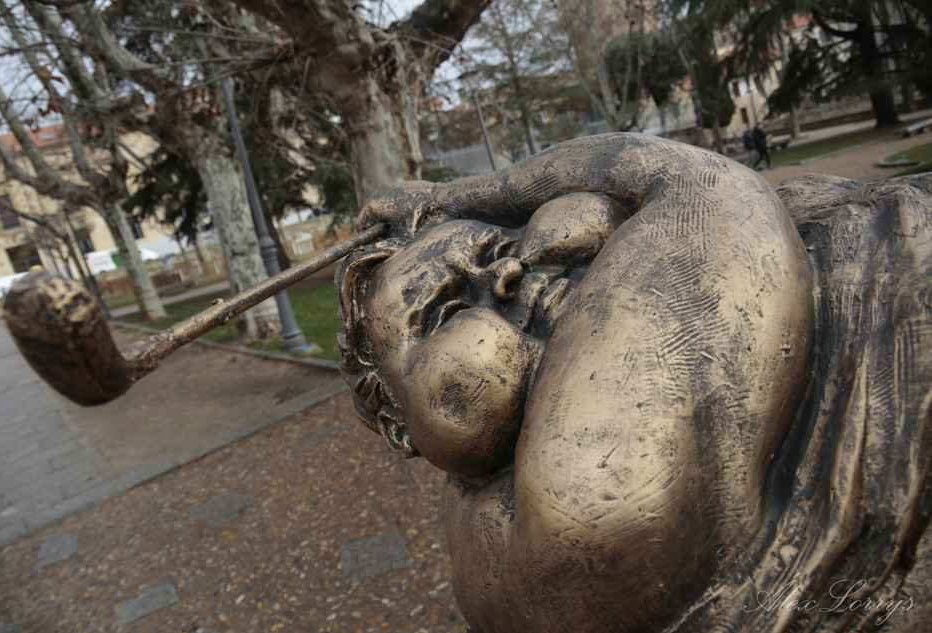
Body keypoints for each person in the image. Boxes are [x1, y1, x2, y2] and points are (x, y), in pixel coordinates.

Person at [336, 133, 932, 633]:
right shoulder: (571, 503)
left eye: (498, 244)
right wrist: (453, 196)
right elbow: (698, 185)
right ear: (398, 425)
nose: (506, 274)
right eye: (445, 309)